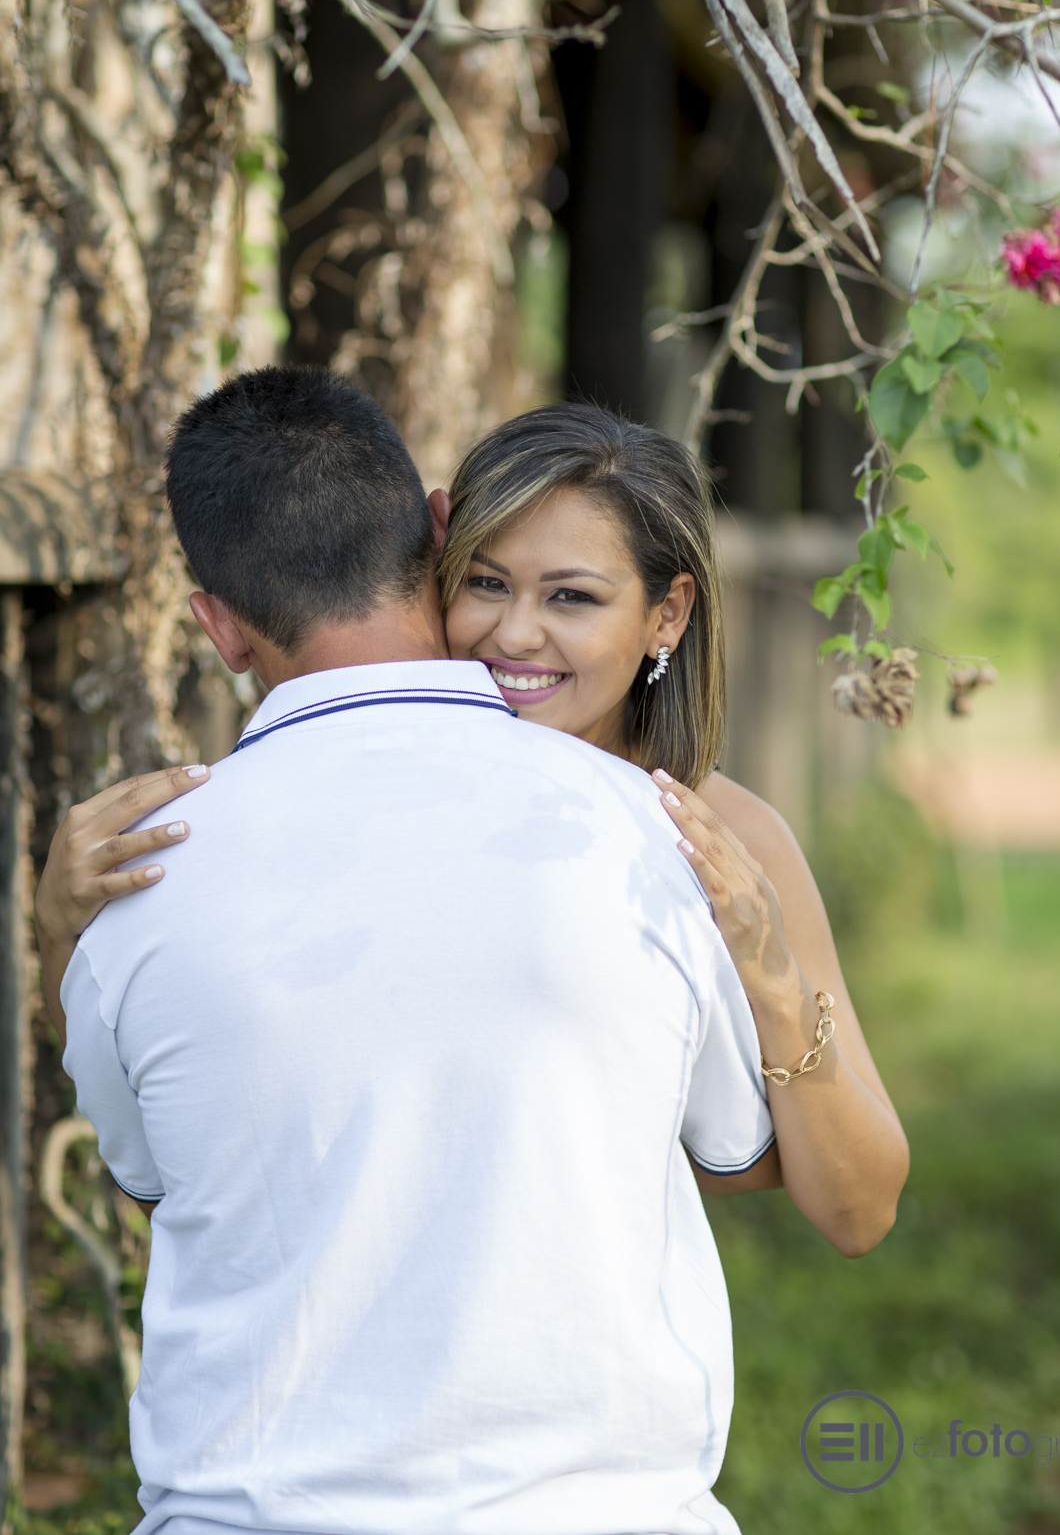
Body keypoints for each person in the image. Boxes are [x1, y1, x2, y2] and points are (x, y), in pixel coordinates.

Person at [34, 369, 904, 1535]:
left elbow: (840, 1200)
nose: (515, 632)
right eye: (487, 583)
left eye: (573, 596)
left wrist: (774, 985)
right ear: (439, 543)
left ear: (668, 616)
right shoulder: (290, 823)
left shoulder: (700, 843)